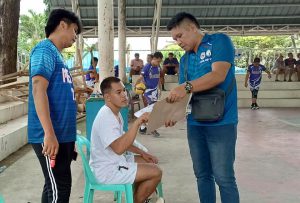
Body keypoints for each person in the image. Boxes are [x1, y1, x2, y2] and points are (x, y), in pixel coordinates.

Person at [165, 12, 240, 203]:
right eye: (174, 39)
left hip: (222, 123)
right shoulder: (185, 60)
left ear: (192, 28)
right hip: (196, 124)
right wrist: (172, 114)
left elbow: (218, 75)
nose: (178, 42)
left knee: (224, 177)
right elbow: (184, 96)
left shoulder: (219, 42)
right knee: (202, 175)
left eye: (180, 36)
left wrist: (186, 86)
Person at [28, 9, 82, 202]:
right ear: (62, 25)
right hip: (50, 134)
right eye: (75, 31)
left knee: (53, 186)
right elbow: (38, 89)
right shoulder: (44, 50)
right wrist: (49, 134)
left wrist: (69, 138)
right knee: (60, 188)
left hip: (61, 135)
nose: (75, 37)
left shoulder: (58, 56)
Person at [89, 77, 164, 203]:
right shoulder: (106, 117)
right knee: (156, 172)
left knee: (148, 162)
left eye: (124, 91)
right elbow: (119, 148)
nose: (124, 95)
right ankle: (137, 200)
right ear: (107, 97)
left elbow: (123, 141)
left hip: (113, 162)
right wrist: (137, 123)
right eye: (118, 92)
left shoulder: (115, 113)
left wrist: (142, 153)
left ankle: (138, 197)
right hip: (107, 170)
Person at [135, 52, 163, 137]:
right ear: (153, 59)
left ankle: (142, 127)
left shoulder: (158, 67)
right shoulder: (147, 67)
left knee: (149, 110)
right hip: (147, 91)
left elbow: (158, 79)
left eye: (160, 62)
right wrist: (135, 87)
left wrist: (160, 88)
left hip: (155, 91)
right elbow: (140, 78)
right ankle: (152, 129)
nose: (159, 63)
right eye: (158, 61)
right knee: (152, 110)